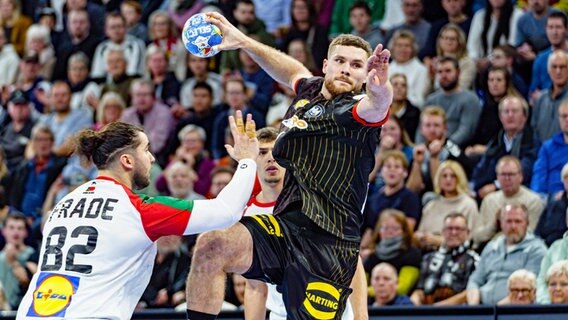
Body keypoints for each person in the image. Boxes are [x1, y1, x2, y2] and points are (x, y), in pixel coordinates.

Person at [186, 11, 393, 319]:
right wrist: (243, 41)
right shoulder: (309, 92)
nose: (346, 70)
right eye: (340, 61)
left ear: (365, 75)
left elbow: (377, 106)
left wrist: (381, 90)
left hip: (328, 247)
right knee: (211, 245)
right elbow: (290, 70)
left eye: (356, 65)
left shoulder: (357, 115)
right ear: (325, 65)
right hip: (285, 228)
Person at [16, 113, 260, 319]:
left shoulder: (64, 203)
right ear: (127, 160)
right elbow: (226, 211)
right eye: (146, 150)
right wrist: (248, 160)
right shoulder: (138, 209)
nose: (152, 158)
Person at [466, 204, 547, 305]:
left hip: (512, 312)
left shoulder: (537, 250)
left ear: (527, 223)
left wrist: (495, 313)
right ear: (501, 224)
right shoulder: (491, 247)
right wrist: (474, 309)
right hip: (484, 311)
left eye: (518, 221)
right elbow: (475, 281)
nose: (513, 226)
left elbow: (527, 290)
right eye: (508, 221)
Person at [411, 212, 479, 306]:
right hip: (427, 311)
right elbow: (419, 290)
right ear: (442, 232)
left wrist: (438, 309)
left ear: (467, 233)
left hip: (457, 313)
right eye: (449, 229)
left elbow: (469, 292)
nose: (453, 233)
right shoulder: (428, 258)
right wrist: (413, 305)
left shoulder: (473, 259)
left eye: (458, 229)